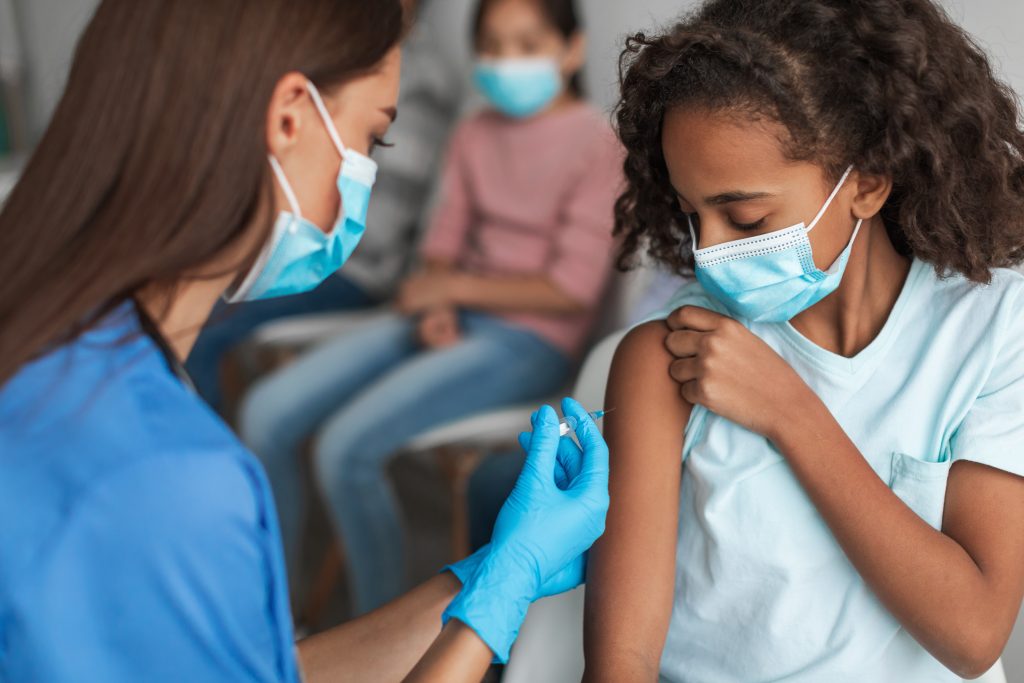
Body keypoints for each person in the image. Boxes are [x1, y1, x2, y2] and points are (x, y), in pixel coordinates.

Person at [0, 1, 610, 681]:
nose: (364, 179)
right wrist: (502, 598)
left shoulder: (61, 349)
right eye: (373, 139)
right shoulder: (168, 479)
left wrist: (483, 579)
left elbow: (263, 670)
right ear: (290, 117)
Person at [583, 1, 1024, 681]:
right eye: (693, 215)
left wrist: (791, 412)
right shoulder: (670, 358)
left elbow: (972, 634)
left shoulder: (992, 326)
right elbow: (623, 659)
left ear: (868, 182)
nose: (710, 254)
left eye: (745, 215)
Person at [239, 0, 622, 615]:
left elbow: (568, 288)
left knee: (345, 450)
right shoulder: (475, 133)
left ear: (571, 49)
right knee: (266, 411)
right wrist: (436, 301)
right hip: (444, 316)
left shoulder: (597, 143)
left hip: (528, 342)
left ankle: (378, 627)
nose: (506, 61)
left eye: (527, 44)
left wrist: (451, 291)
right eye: (492, 46)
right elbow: (443, 244)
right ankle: (273, 611)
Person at [183, 0, 478, 415]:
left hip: (355, 271)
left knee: (206, 328)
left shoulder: (420, 80)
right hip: (298, 239)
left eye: (377, 138)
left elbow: (374, 231)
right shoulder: (324, 53)